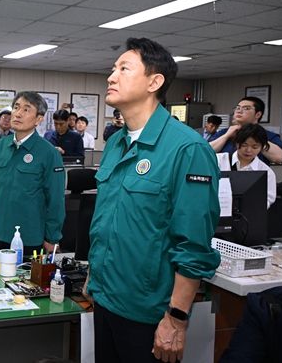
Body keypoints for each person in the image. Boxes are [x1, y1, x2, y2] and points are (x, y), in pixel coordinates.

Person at [82, 38, 221, 363]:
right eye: (113, 68)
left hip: (149, 313)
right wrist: (93, 274)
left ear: (154, 82)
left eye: (124, 68)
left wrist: (177, 318)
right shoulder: (116, 143)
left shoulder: (187, 149)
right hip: (105, 297)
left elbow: (193, 245)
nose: (111, 76)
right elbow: (108, 220)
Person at [0, 91, 65, 255]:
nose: (18, 113)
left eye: (26, 109)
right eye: (16, 107)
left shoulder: (48, 153)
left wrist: (52, 237)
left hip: (30, 236)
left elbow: (55, 200)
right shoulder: (1, 146)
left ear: (38, 119)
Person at [210, 96, 282, 165]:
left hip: (255, 174)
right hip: (223, 174)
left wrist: (257, 137)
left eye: (246, 108)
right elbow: (206, 151)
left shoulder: (268, 135)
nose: (239, 111)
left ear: (258, 114)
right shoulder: (225, 132)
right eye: (238, 108)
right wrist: (226, 136)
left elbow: (279, 158)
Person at [231, 123, 276, 209]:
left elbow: (268, 199)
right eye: (244, 145)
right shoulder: (220, 161)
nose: (248, 150)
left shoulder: (267, 172)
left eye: (255, 147)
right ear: (236, 143)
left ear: (262, 147)